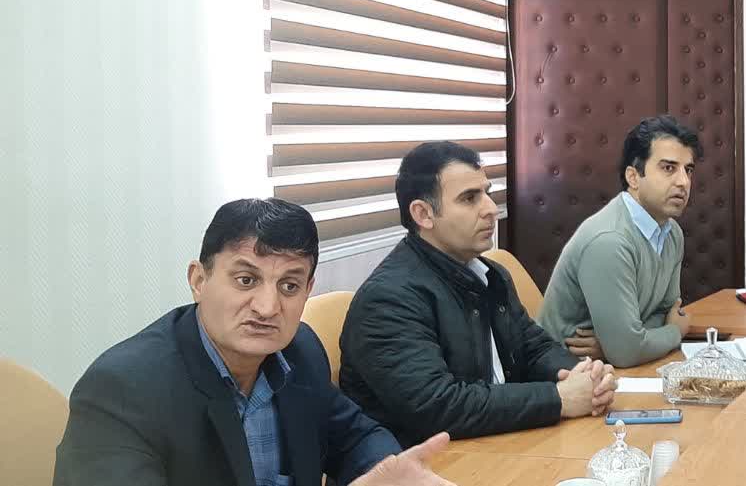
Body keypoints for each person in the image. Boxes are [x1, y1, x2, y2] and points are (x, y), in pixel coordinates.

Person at [54, 198, 457, 486]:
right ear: (199, 280)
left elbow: (357, 437)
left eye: (289, 286)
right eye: (246, 280)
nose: (267, 307)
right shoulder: (122, 390)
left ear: (308, 290)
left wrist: (388, 474)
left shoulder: (299, 351)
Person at [339, 141, 617, 445]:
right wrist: (559, 398)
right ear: (423, 214)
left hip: (498, 439)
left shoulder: (490, 274)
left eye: (487, 193)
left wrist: (584, 376)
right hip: (434, 459)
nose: (491, 209)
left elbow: (533, 348)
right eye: (470, 198)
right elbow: (437, 407)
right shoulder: (387, 300)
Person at [538, 116, 702, 368]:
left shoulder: (672, 233)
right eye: (669, 168)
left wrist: (618, 343)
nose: (683, 182)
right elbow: (629, 351)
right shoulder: (610, 241)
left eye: (688, 170)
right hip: (567, 371)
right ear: (633, 177)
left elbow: (666, 312)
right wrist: (674, 332)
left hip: (614, 366)